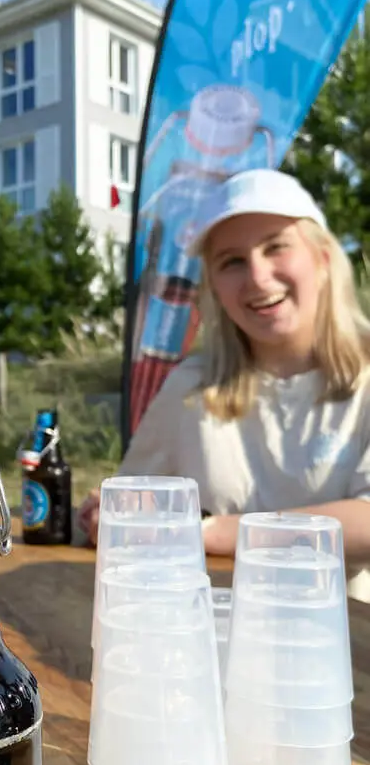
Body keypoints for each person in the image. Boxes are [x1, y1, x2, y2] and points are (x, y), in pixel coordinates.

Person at [79, 168, 370, 600]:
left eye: (277, 247)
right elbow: (136, 504)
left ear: (323, 260)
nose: (257, 276)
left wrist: (211, 532)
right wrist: (112, 516)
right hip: (207, 633)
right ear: (213, 285)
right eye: (232, 261)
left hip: (341, 646)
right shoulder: (192, 387)